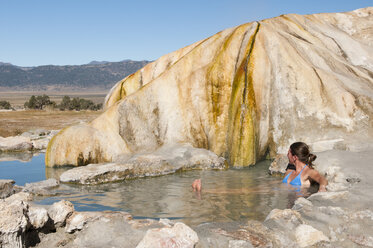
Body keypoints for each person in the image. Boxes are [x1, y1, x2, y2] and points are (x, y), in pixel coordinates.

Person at [192, 142, 328, 193]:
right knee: (243, 189)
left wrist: (322, 187)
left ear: (295, 157)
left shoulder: (307, 173)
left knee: (242, 191)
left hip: (288, 196)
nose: (286, 154)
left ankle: (205, 191)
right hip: (273, 188)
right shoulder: (290, 168)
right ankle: (205, 191)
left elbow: (321, 179)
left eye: (289, 152)